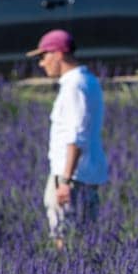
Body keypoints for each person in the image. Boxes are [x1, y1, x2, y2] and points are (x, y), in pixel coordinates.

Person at [29, 29, 107, 248]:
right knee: (84, 238)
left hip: (71, 176)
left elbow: (76, 135)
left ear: (58, 54)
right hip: (84, 175)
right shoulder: (89, 81)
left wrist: (65, 181)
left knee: (64, 238)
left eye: (43, 57)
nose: (42, 64)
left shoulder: (74, 86)